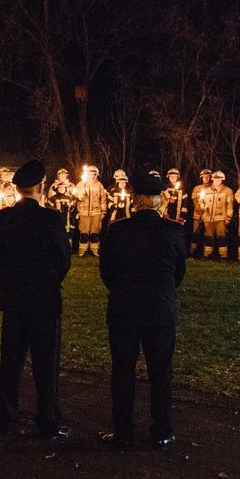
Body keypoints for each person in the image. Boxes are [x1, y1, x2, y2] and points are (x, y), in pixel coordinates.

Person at [98, 171, 185, 450]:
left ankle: (123, 430)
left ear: (134, 199)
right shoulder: (174, 230)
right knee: (161, 372)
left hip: (124, 309)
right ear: (159, 200)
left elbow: (106, 270)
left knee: (123, 371)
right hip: (160, 310)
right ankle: (162, 430)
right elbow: (178, 272)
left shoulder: (117, 229)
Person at [0, 160, 71, 440]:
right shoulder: (51, 219)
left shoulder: (2, 218)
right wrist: (50, 280)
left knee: (11, 360)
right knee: (45, 363)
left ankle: (8, 415)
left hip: (14, 298)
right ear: (40, 187)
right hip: (44, 299)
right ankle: (46, 420)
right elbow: (62, 259)